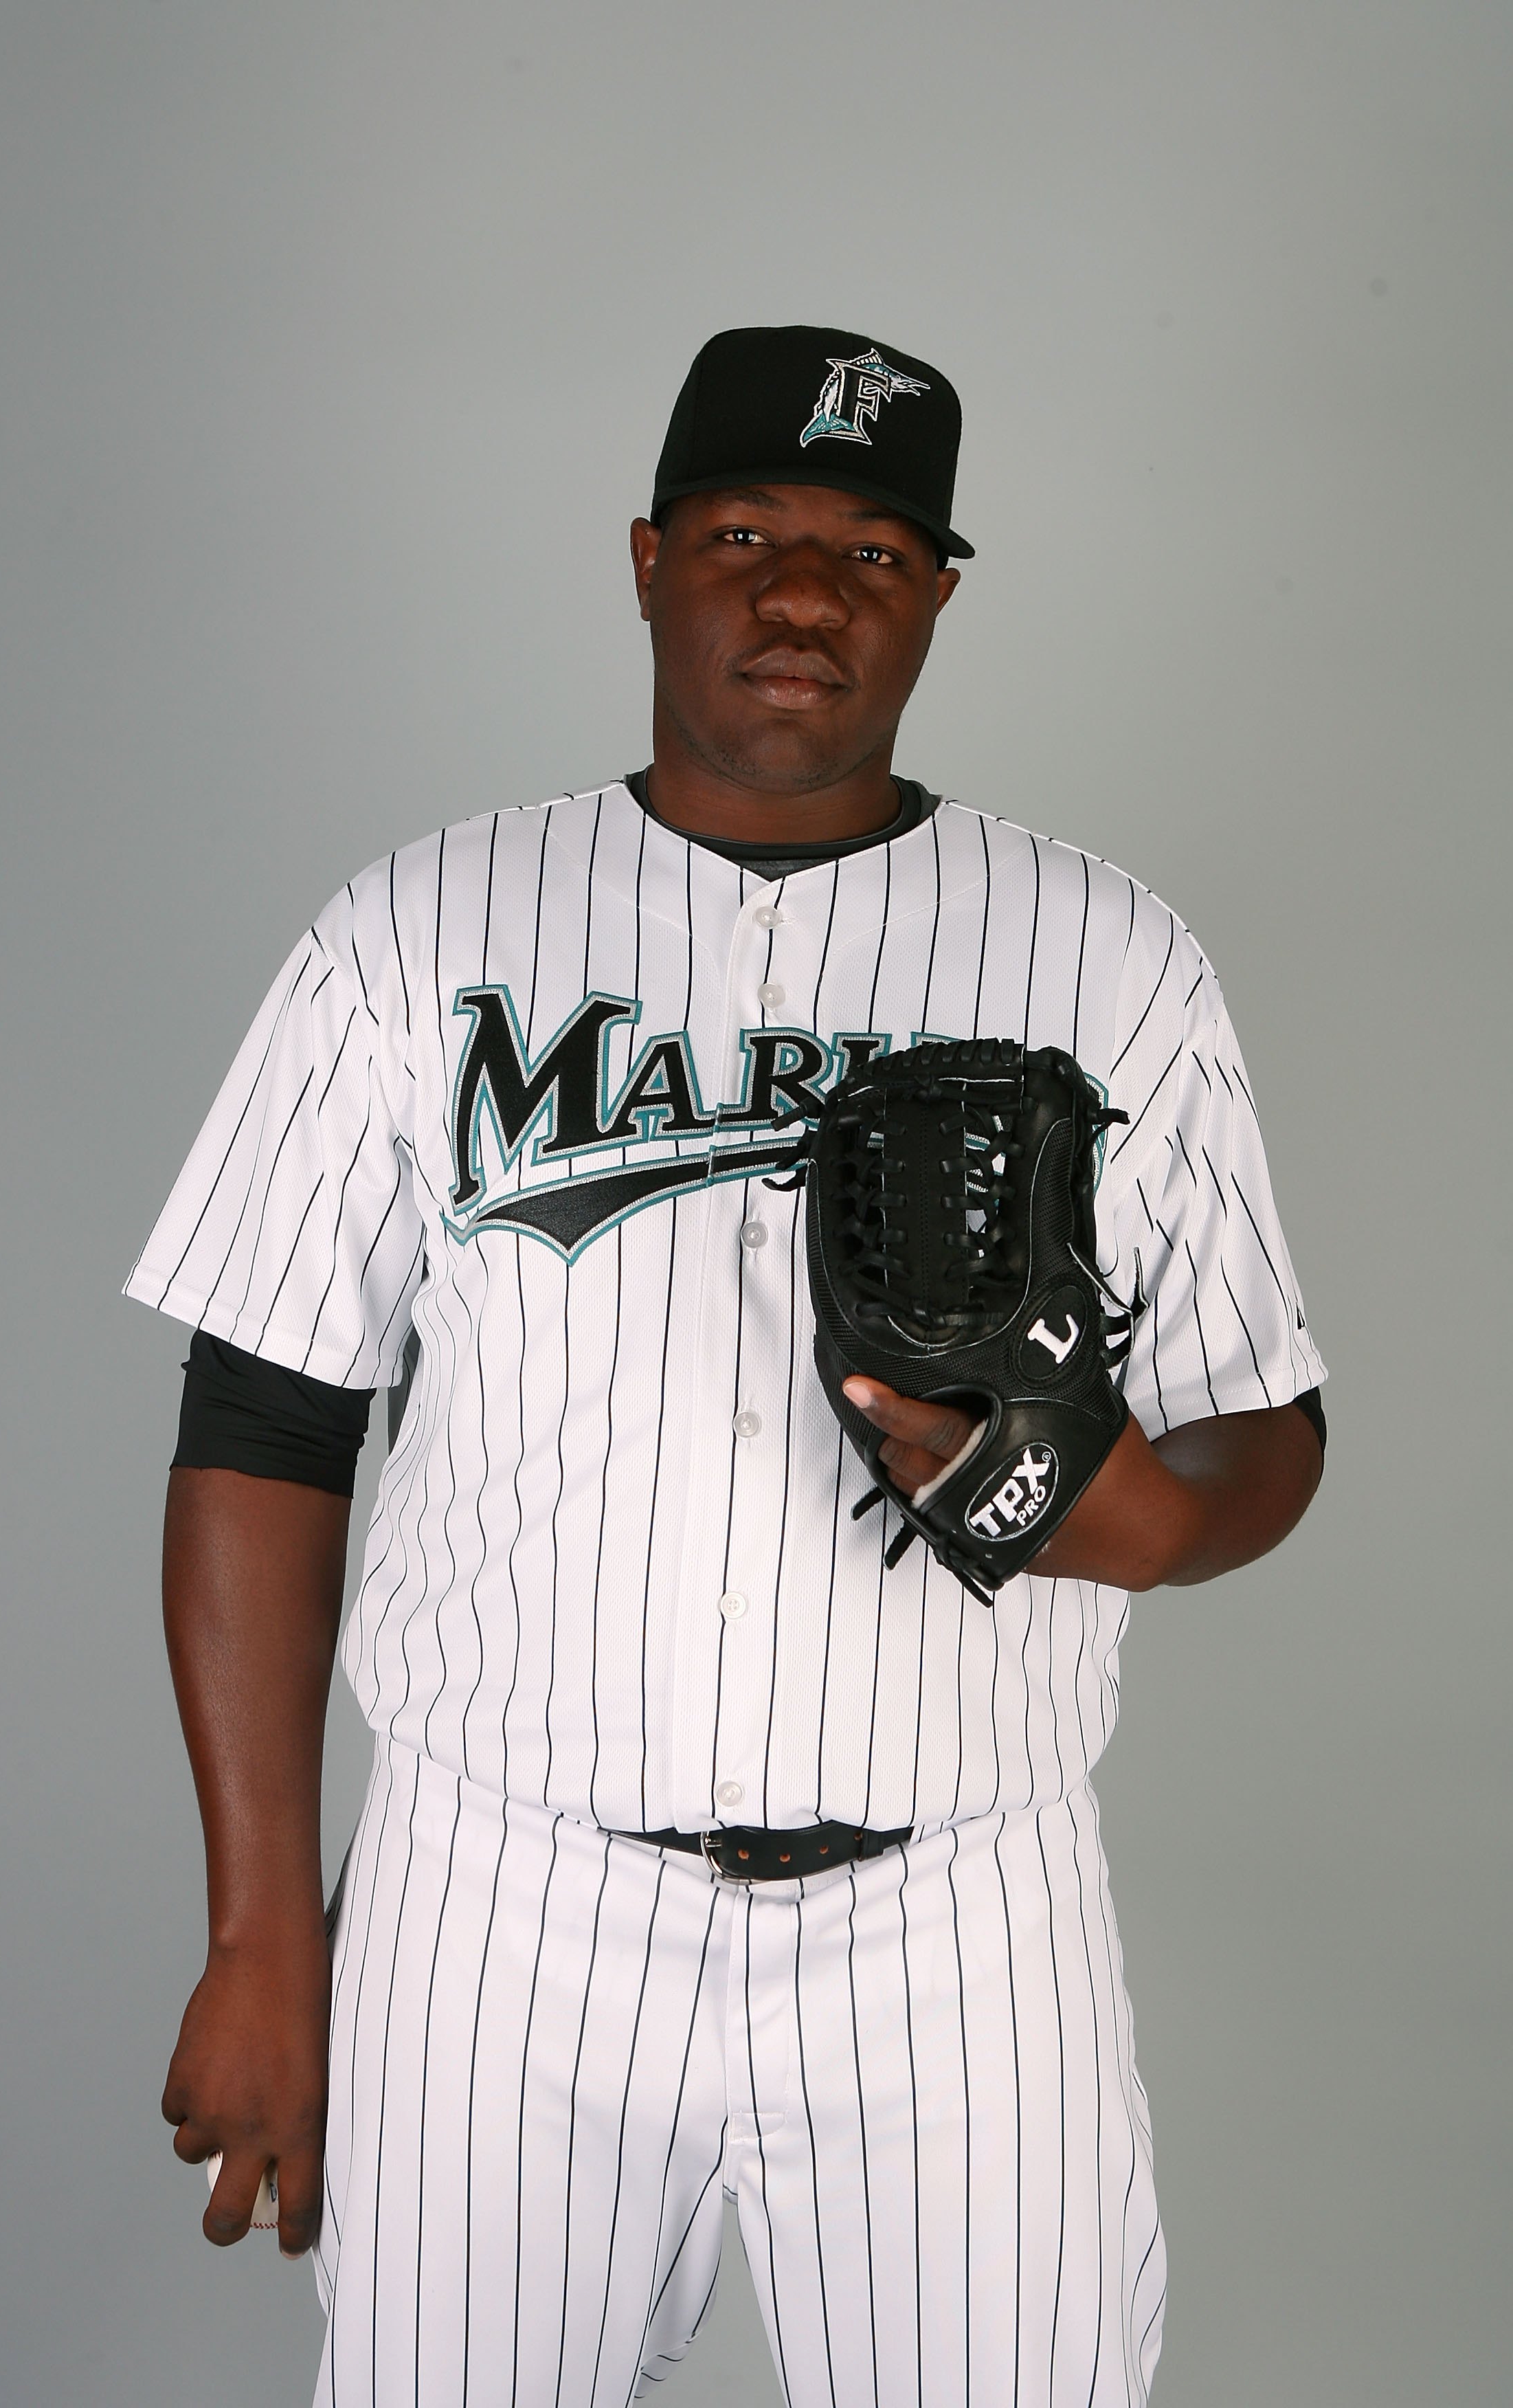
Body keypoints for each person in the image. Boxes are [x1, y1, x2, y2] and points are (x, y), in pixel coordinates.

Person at [128, 324, 1325, 2407]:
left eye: (874, 547)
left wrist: (1159, 1522)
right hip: (500, 1906)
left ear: (940, 596)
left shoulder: (1104, 955)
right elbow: (264, 1426)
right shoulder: (417, 934)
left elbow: (1263, 1431)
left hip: (964, 1918)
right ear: (650, 557)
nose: (803, 590)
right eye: (751, 529)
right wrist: (265, 1931)